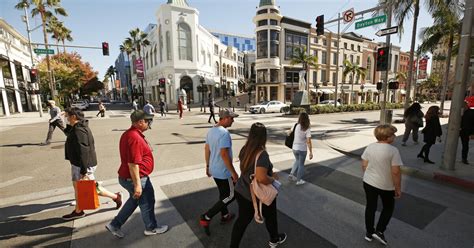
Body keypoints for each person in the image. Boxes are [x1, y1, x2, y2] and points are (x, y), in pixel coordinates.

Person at [105, 110, 168, 238]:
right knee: (147, 202)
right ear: (140, 122)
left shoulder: (130, 134)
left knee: (134, 201)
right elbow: (133, 164)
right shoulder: (134, 137)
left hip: (129, 177)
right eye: (147, 121)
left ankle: (115, 225)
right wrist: (138, 185)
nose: (149, 123)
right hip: (136, 177)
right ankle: (151, 228)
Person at [230, 122, 287, 248]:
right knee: (271, 216)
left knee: (242, 221)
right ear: (264, 137)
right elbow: (261, 178)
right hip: (257, 194)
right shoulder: (262, 154)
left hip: (242, 190)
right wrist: (272, 179)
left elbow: (247, 171)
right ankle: (274, 239)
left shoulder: (245, 149)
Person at [62, 107, 122, 220]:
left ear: (73, 117)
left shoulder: (79, 130)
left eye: (67, 116)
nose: (66, 118)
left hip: (83, 165)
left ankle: (115, 197)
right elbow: (68, 133)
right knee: (83, 187)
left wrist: (83, 170)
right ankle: (80, 210)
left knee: (87, 187)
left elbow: (83, 150)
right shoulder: (78, 127)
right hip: (80, 164)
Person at [199, 109, 239, 236]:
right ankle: (206, 216)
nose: (233, 120)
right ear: (225, 118)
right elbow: (224, 154)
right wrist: (234, 173)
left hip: (214, 169)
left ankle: (225, 215)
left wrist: (207, 166)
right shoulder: (224, 133)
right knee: (232, 195)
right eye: (232, 118)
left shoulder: (211, 130)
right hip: (223, 171)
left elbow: (207, 149)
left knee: (223, 194)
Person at [361, 124, 403, 246]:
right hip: (386, 185)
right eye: (393, 134)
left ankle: (369, 233)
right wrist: (398, 188)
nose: (395, 136)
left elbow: (364, 165)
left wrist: (370, 175)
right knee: (388, 208)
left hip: (369, 182)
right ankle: (379, 230)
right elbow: (395, 172)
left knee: (370, 207)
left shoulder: (370, 147)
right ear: (387, 137)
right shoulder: (393, 151)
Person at [288, 112, 313, 185]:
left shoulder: (296, 125)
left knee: (297, 160)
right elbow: (308, 141)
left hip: (294, 148)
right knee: (301, 164)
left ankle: (291, 174)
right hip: (302, 149)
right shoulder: (307, 128)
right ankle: (299, 180)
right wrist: (311, 152)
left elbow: (289, 132)